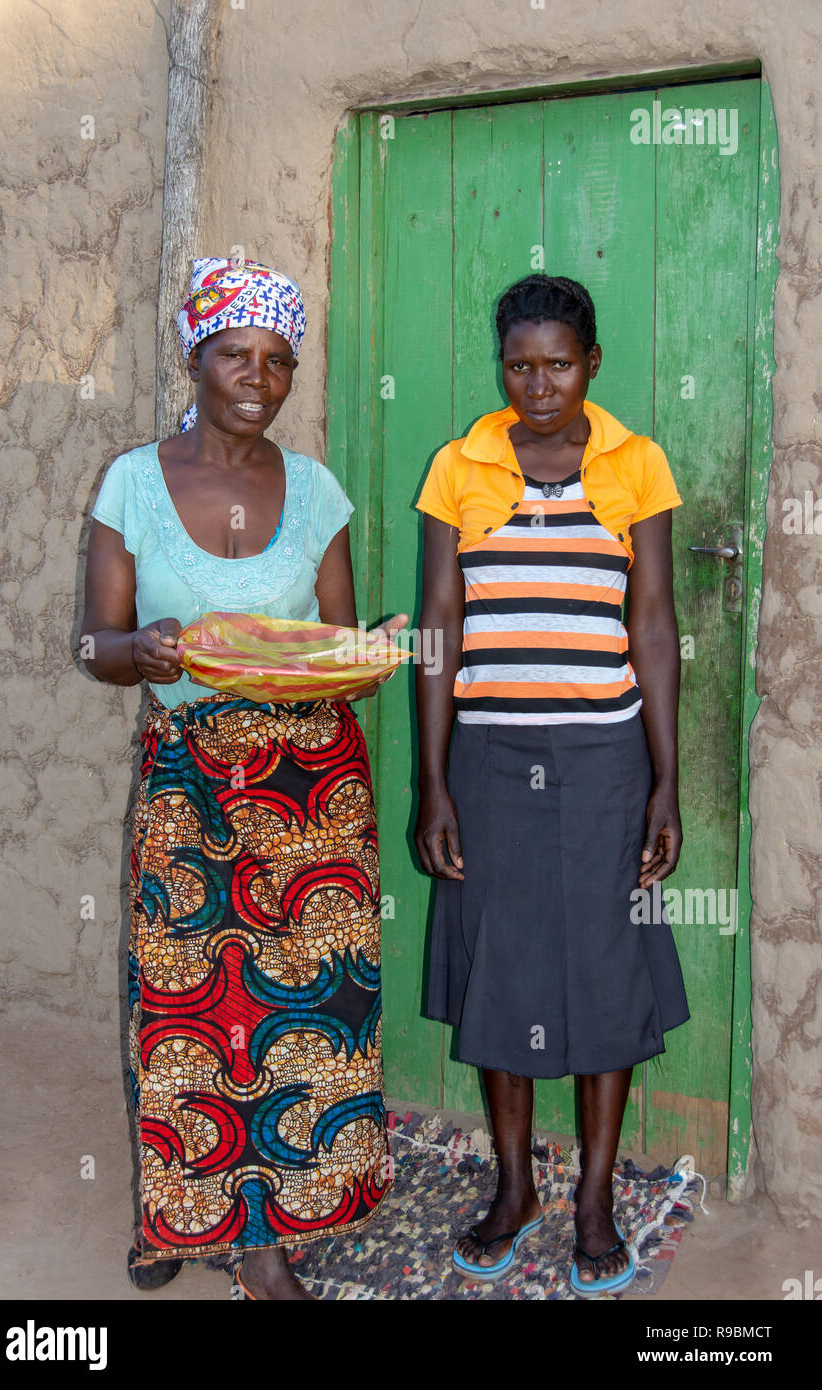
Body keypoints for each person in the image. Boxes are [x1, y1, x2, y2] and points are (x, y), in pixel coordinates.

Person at [82, 257, 406, 1301]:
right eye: (237, 355)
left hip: (314, 790)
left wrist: (375, 652)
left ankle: (265, 1241)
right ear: (197, 356)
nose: (259, 377)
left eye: (278, 360)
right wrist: (145, 650)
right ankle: (174, 1214)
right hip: (191, 777)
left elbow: (333, 647)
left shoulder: (314, 490)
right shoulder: (133, 481)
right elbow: (92, 642)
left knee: (309, 1009)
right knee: (183, 1008)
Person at [413, 273, 690, 1296]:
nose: (537, 385)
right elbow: (438, 628)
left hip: (604, 766)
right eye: (518, 364)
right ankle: (514, 1185)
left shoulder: (633, 463)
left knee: (602, 977)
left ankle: (594, 1194)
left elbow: (651, 624)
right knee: (502, 972)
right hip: (487, 766)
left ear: (592, 364)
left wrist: (665, 780)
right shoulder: (459, 465)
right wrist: (430, 781)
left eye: (557, 365)